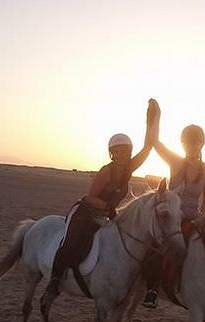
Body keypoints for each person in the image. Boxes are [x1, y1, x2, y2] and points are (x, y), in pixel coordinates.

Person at [42, 100, 159, 302]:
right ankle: (55, 279)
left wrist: (152, 121)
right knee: (70, 244)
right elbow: (90, 197)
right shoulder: (107, 171)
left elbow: (148, 147)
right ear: (112, 153)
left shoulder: (129, 168)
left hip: (106, 215)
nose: (122, 154)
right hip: (85, 212)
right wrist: (108, 208)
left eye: (125, 151)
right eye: (118, 151)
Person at [142, 101, 205, 308]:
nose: (191, 146)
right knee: (158, 247)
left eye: (195, 143)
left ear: (201, 145)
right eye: (188, 143)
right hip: (171, 217)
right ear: (183, 144)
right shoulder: (176, 162)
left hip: (194, 218)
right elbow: (155, 142)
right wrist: (156, 117)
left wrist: (203, 220)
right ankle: (152, 289)